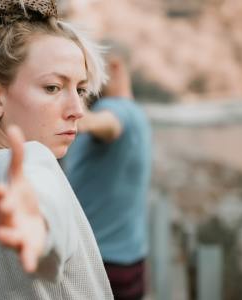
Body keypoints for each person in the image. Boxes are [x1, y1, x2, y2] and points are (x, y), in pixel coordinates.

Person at [0, 0, 113, 299]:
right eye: (53, 87)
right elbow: (40, 202)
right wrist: (39, 229)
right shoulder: (30, 160)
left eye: (80, 89)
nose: (77, 109)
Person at [64, 40, 152, 300]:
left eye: (86, 71)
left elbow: (107, 125)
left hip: (102, 266)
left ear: (112, 66)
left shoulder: (113, 111)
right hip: (128, 260)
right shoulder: (138, 114)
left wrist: (69, 115)